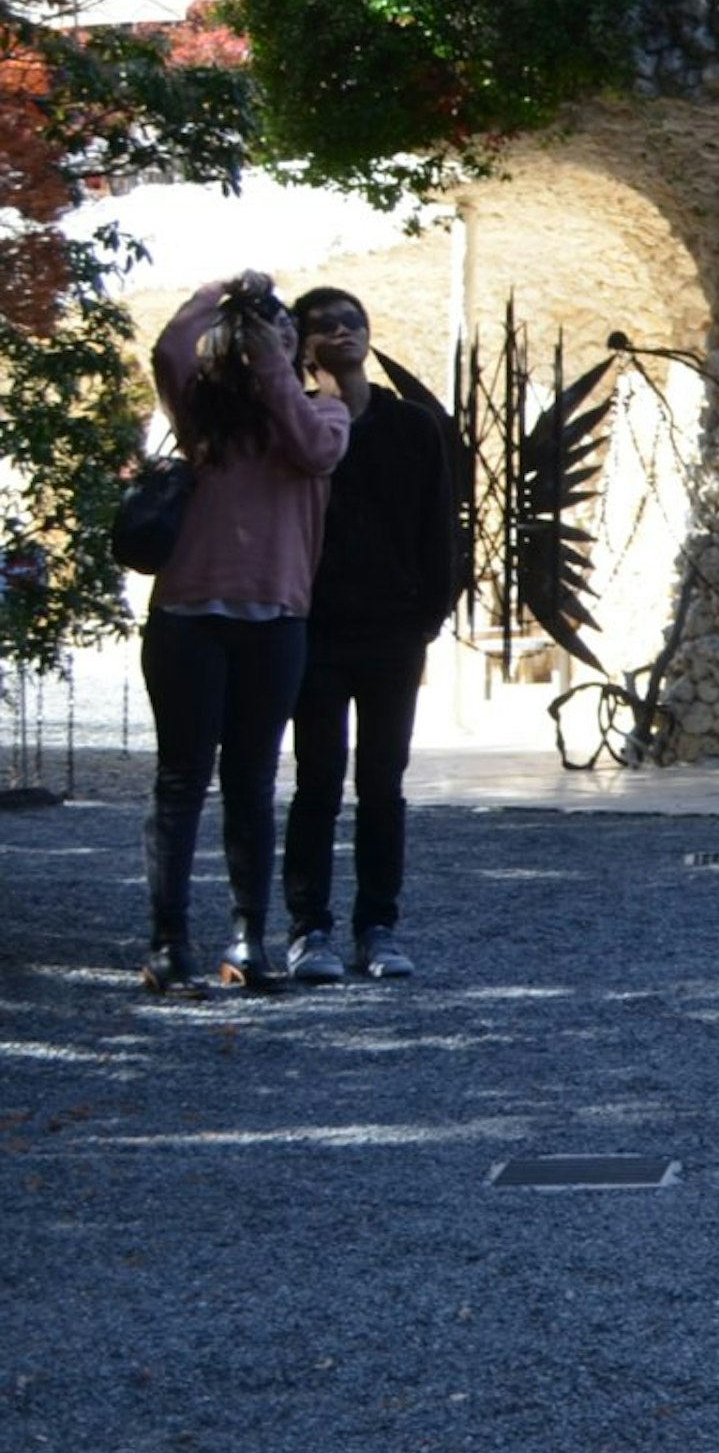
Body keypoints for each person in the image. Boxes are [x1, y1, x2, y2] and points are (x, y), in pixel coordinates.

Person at [141, 273, 350, 991]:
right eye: (268, 329)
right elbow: (168, 351)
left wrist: (272, 365)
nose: (276, 338)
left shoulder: (324, 411)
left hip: (276, 620)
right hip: (187, 617)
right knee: (181, 781)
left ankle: (249, 938)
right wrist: (217, 293)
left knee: (252, 782)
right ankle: (169, 943)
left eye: (287, 331)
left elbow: (313, 450)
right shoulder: (202, 412)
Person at [277, 287, 460, 983]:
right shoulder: (293, 428)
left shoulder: (411, 427)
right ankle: (308, 927)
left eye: (354, 320)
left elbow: (439, 525)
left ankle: (377, 924)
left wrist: (429, 613)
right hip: (316, 629)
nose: (343, 331)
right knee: (318, 780)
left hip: (392, 631)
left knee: (383, 783)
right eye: (325, 324)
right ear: (302, 343)